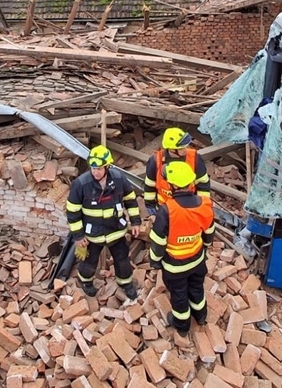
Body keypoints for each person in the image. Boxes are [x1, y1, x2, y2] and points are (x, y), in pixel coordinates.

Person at [148, 161, 215, 336]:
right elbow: (209, 231)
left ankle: (182, 325)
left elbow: (158, 240)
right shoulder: (205, 203)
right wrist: (205, 248)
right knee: (197, 288)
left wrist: (155, 261)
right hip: (198, 259)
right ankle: (201, 316)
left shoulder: (167, 210)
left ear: (173, 185)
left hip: (175, 265)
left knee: (179, 296)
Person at [66, 145, 142, 298]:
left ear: (107, 167)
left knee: (122, 260)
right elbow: (72, 211)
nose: (95, 172)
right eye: (93, 168)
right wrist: (79, 236)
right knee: (89, 262)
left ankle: (125, 283)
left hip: (116, 231)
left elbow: (131, 201)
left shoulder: (120, 179)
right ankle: (86, 281)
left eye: (99, 168)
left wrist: (135, 222)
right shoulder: (81, 184)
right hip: (92, 235)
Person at [144, 127, 212, 213]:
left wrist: (202, 206)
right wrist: (150, 207)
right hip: (165, 209)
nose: (185, 149)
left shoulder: (195, 158)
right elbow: (150, 185)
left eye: (185, 146)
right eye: (181, 148)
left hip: (188, 207)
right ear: (172, 149)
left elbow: (203, 184)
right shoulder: (155, 161)